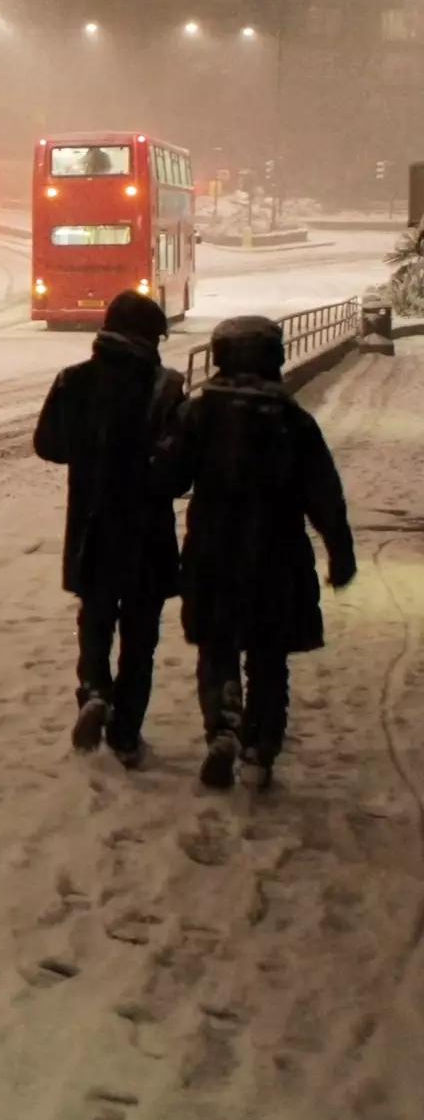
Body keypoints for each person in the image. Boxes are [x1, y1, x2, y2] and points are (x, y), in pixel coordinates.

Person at [155, 315, 355, 790]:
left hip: (212, 548)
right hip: (277, 553)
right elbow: (323, 491)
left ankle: (223, 725)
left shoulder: (198, 413)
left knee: (218, 644)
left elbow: (168, 478)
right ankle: (260, 749)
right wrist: (339, 551)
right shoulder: (292, 420)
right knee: (268, 654)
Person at [34, 290, 183, 766]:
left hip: (91, 528)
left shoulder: (72, 380)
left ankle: (94, 690)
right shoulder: (166, 387)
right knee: (141, 637)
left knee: (95, 619)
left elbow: (48, 445)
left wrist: (89, 450)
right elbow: (179, 471)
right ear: (147, 337)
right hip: (147, 533)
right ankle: (125, 733)